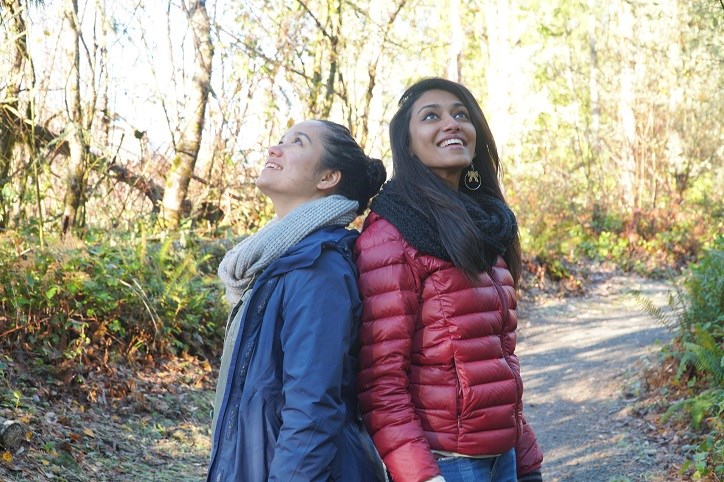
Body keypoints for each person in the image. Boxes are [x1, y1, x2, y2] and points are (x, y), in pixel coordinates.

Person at [353, 78, 544, 482]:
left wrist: (525, 457)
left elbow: (500, 356)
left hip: (503, 458)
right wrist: (421, 476)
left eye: (461, 114)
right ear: (407, 144)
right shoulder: (391, 236)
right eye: (431, 116)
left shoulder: (488, 225)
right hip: (447, 464)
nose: (452, 123)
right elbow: (380, 381)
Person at [208, 119, 387, 482]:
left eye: (297, 143)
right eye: (279, 139)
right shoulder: (278, 259)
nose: (275, 149)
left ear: (327, 177)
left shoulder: (317, 267)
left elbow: (313, 409)